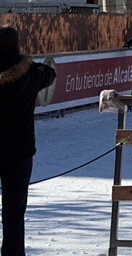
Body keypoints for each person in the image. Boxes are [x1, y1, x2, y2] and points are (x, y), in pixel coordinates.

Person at [0, 26, 56, 256]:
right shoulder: (31, 74)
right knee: (14, 214)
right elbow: (50, 73)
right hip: (19, 154)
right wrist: (27, 62)